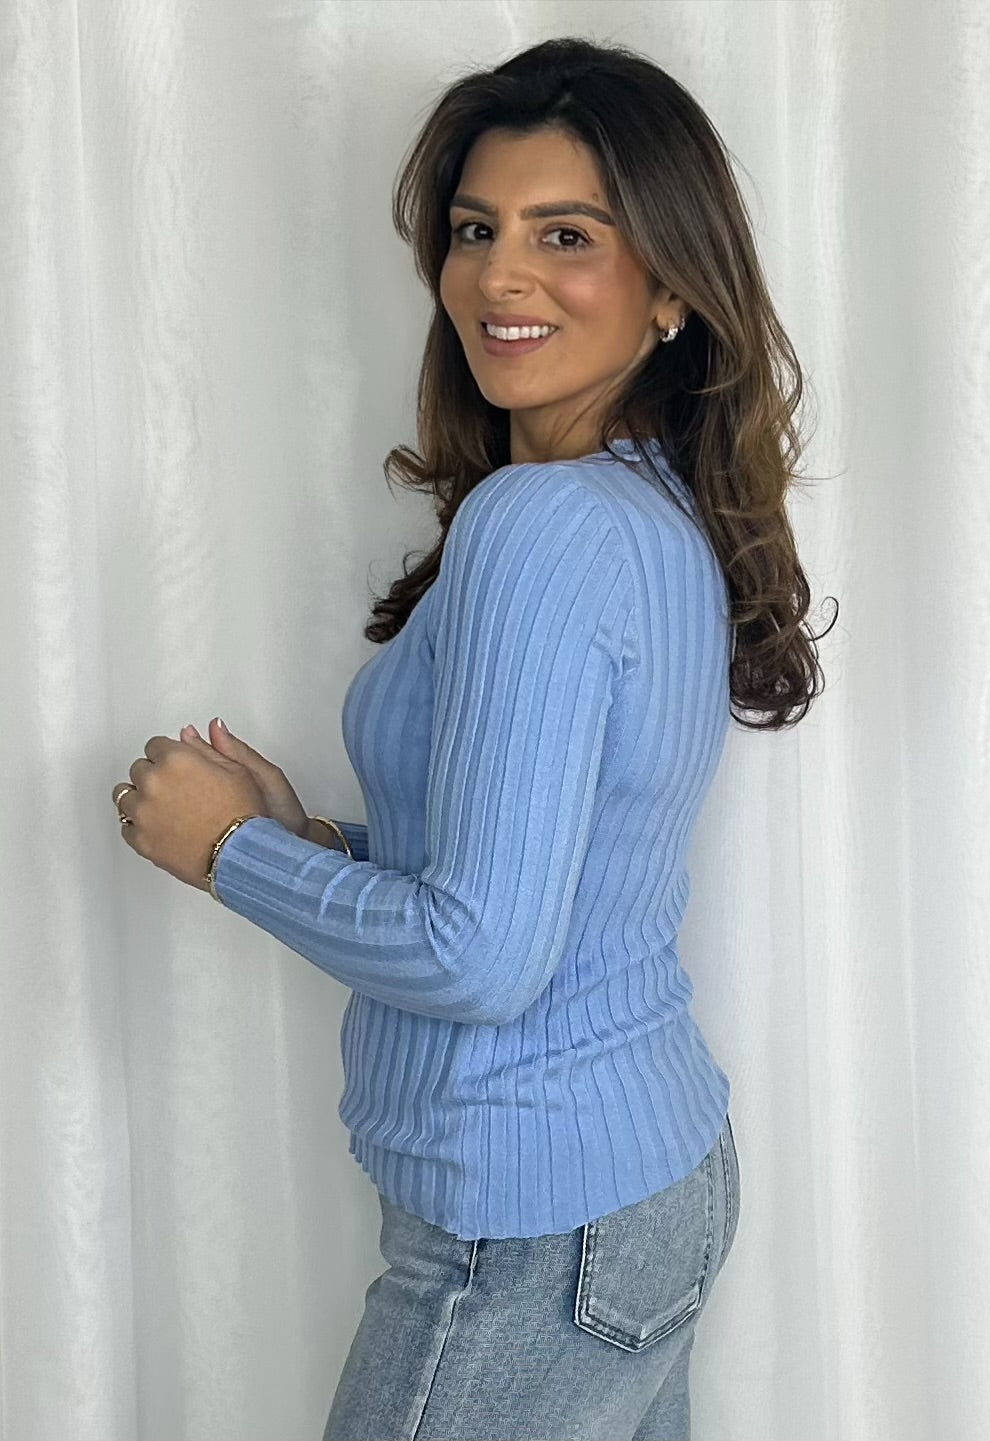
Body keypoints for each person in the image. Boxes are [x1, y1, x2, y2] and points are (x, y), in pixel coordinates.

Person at [111, 35, 834, 1441]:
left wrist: (230, 850)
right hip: (633, 1188)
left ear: (672, 286)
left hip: (533, 1227)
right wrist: (319, 842)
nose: (499, 276)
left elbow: (482, 954)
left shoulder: (541, 526)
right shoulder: (644, 507)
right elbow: (555, 871)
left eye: (566, 235)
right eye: (474, 230)